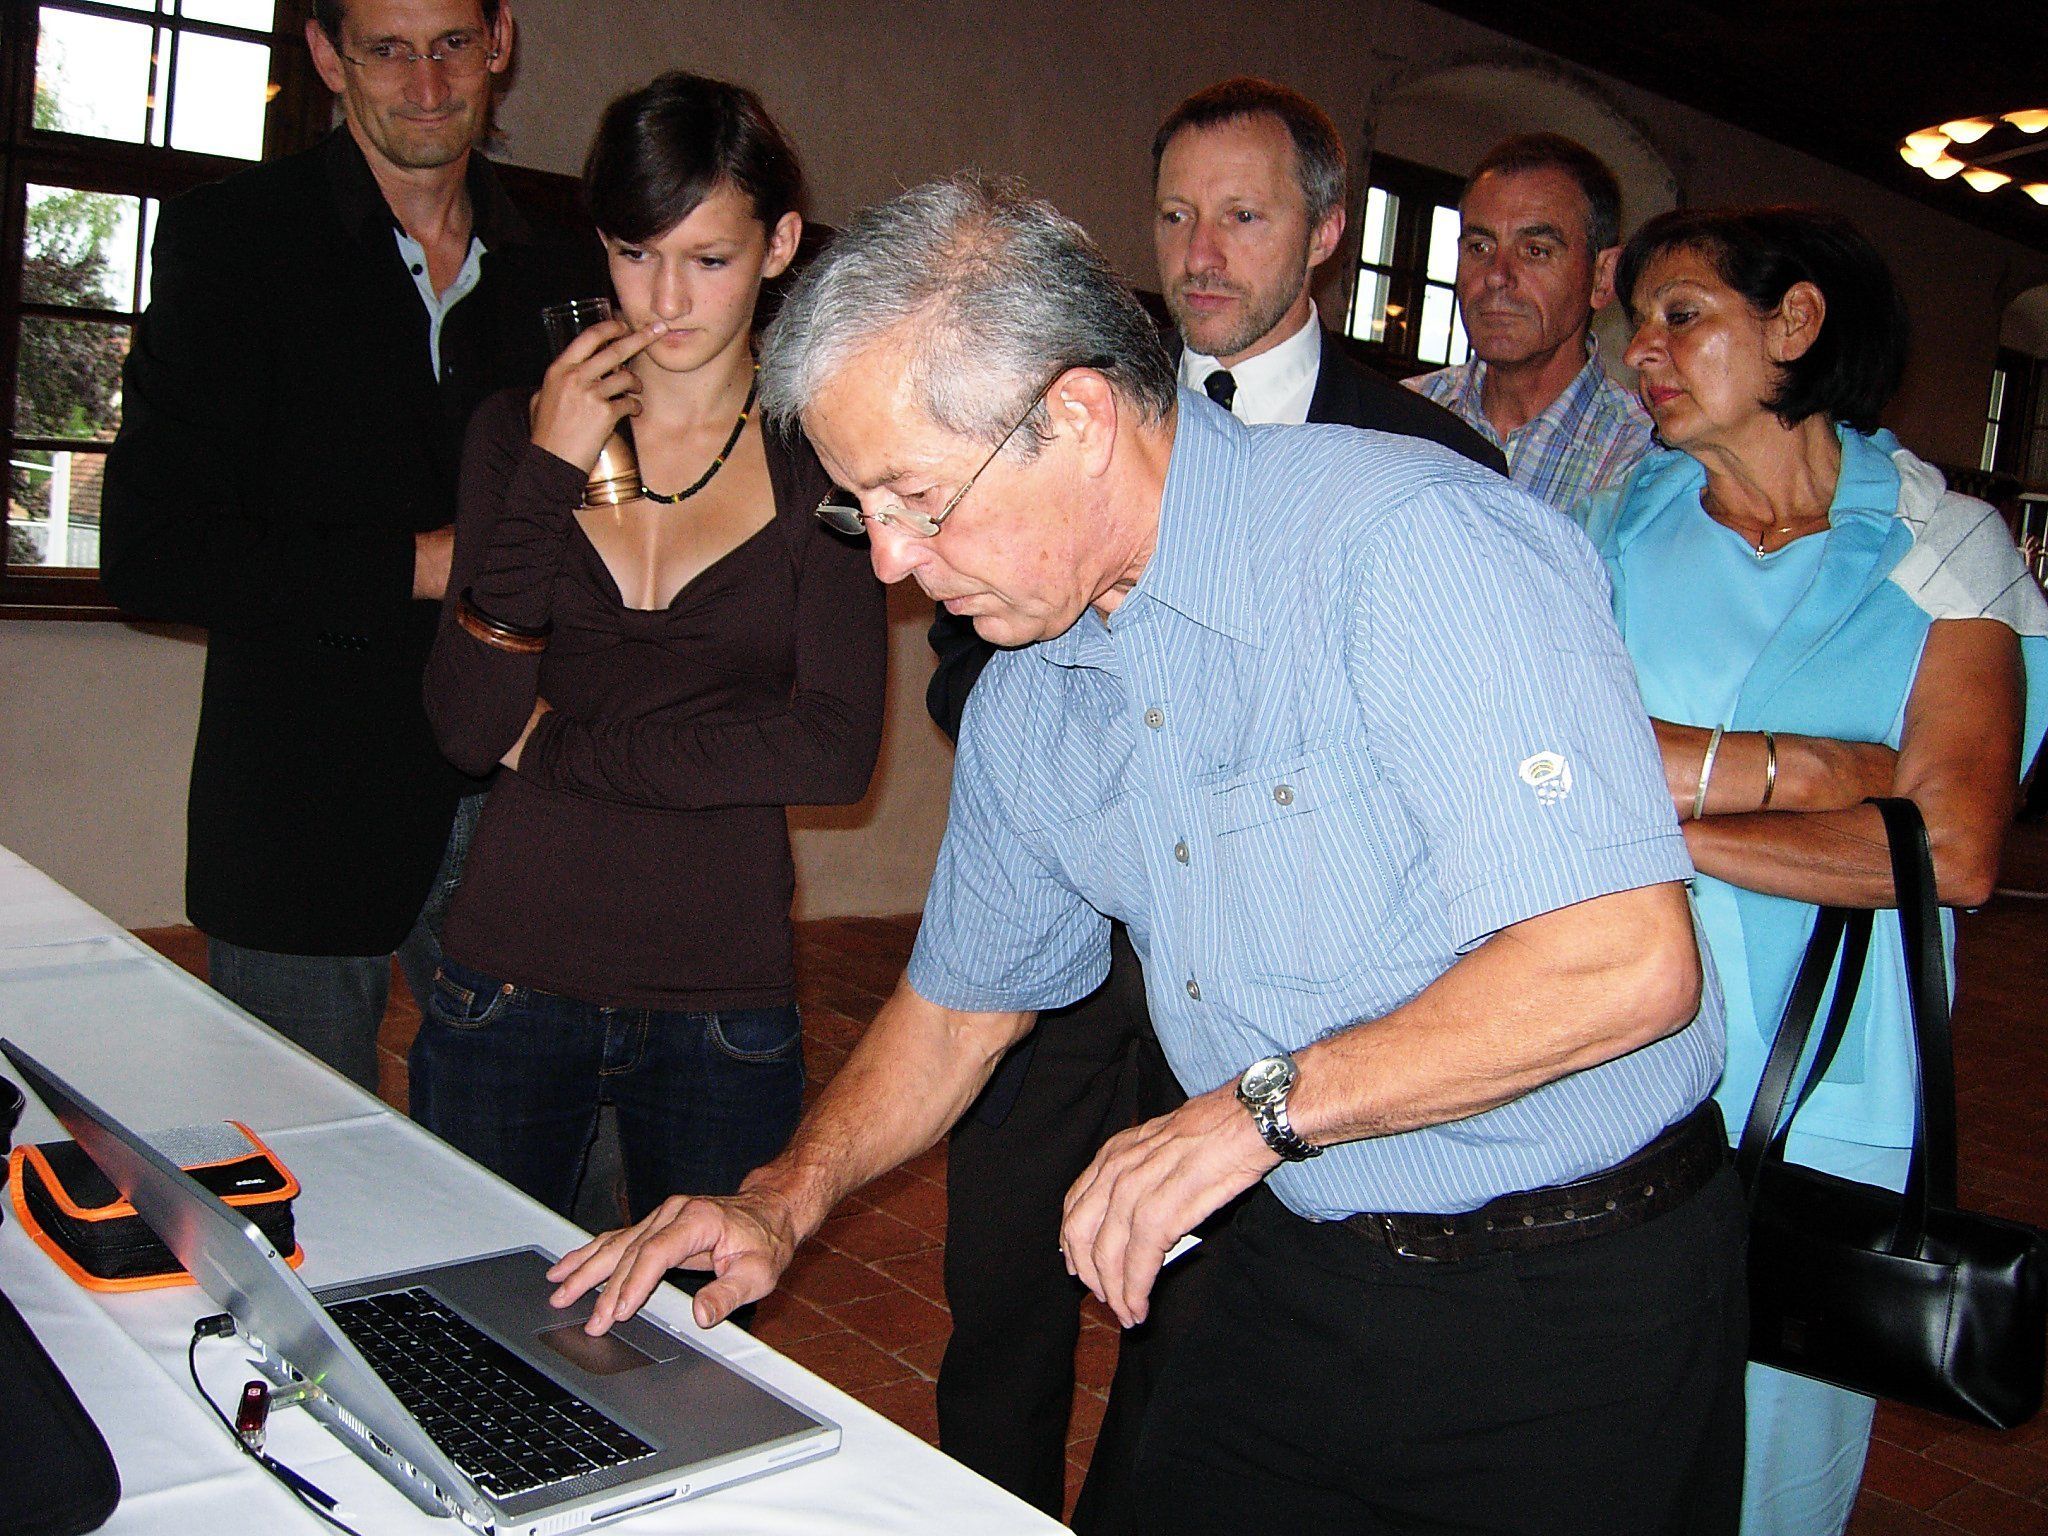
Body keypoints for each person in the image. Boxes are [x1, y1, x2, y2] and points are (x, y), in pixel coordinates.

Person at [549, 174, 1749, 1536]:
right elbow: (960, 1008)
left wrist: (1253, 1111)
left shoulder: (1409, 543)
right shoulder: (1030, 688)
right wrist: (782, 1199)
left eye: (916, 497)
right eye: (859, 510)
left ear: (1075, 417)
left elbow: (1621, 963)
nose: (886, 563)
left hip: (1571, 1293)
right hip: (1294, 1247)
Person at [925, 76, 1506, 1529]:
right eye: (1176, 215)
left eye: (1241, 217)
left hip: (1281, 982)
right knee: (1001, 1267)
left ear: (1325, 230)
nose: (1198, 253)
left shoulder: (1424, 463)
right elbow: (963, 658)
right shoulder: (1074, 413)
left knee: (1205, 1308)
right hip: (1077, 943)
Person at [1577, 206, 2048, 1536]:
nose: (1640, 353)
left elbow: (1948, 851)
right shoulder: (1607, 528)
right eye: (1637, 326)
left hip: (1827, 1076)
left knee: (1774, 1466)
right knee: (1595, 1429)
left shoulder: (1944, 551)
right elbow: (1539, 757)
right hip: (1606, 1051)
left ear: (1795, 323)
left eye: (1681, 318)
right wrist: (1826, 771)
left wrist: (1656, 818)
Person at [413, 72, 886, 1226]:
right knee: (477, 1312)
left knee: (702, 1331)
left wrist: (561, 750)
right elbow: (467, 728)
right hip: (506, 974)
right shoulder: (514, 433)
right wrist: (549, 468)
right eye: (634, 253)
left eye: (707, 259)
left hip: (719, 997)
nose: (665, 299)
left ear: (779, 247)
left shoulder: (821, 458)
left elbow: (830, 751)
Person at [101, 0, 598, 1091]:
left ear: (500, 40)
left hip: (520, 784)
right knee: (297, 1158)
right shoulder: (234, 240)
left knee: (556, 1164)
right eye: (386, 50)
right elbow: (151, 550)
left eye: (452, 44)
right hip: (300, 801)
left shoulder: (565, 262)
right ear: (328, 56)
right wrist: (423, 563)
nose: (427, 84)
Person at [1407, 133, 1653, 510]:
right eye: (1480, 247)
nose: (1496, 276)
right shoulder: (1400, 418)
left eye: (1535, 251)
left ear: (1603, 277)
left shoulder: (1642, 462)